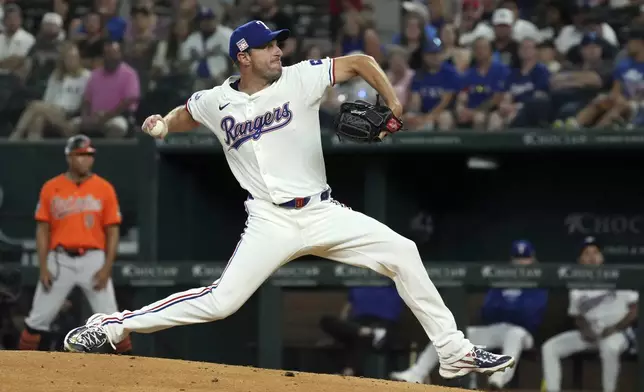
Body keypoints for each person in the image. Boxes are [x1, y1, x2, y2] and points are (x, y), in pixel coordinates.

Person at [63, 20, 514, 379]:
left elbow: (358, 61)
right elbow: (189, 111)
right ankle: (110, 325)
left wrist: (392, 103)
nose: (279, 51)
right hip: (269, 222)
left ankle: (453, 352)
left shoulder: (300, 79)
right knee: (222, 302)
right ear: (244, 56)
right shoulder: (217, 100)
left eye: (278, 44)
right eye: (268, 46)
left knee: (403, 251)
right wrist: (163, 124)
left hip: (320, 210)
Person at [18, 135, 132, 354]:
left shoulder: (104, 188)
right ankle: (17, 368)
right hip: (59, 259)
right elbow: (42, 230)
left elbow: (113, 231)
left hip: (93, 260)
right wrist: (43, 267)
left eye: (89, 155)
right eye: (81, 155)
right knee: (36, 320)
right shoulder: (52, 187)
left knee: (113, 320)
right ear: (69, 157)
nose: (87, 160)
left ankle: (132, 367)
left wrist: (107, 267)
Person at [390, 240, 548, 388]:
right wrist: (514, 309)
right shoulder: (503, 277)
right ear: (511, 260)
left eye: (525, 258)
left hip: (524, 333)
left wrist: (506, 309)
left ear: (533, 259)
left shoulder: (538, 281)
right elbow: (487, 311)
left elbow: (532, 316)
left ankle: (498, 380)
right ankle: (416, 373)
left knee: (514, 335)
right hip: (496, 328)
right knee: (451, 335)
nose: (521, 263)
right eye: (517, 258)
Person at [541, 236, 638, 392]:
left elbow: (636, 309)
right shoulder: (577, 285)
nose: (592, 257)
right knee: (550, 347)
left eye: (595, 253)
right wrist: (586, 330)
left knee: (609, 348)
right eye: (587, 253)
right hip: (591, 334)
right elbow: (576, 316)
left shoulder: (617, 276)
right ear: (580, 260)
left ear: (602, 258)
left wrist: (615, 328)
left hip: (616, 333)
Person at [320, 286, 402, 377]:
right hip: (356, 324)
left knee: (363, 338)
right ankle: (366, 331)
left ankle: (348, 371)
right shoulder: (359, 284)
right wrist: (344, 326)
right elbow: (347, 309)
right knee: (326, 321)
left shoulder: (392, 284)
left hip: (381, 324)